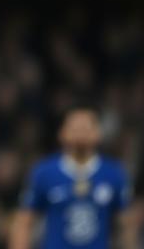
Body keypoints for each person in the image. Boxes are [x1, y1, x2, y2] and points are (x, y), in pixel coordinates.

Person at [9, 106, 137, 249]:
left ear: (98, 133)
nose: (81, 133)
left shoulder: (114, 173)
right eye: (75, 128)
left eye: (86, 128)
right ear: (62, 133)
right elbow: (24, 222)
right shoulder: (44, 172)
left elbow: (127, 225)